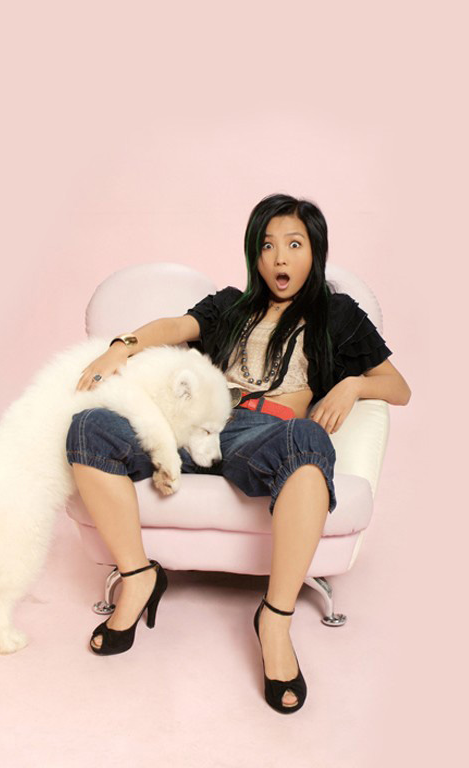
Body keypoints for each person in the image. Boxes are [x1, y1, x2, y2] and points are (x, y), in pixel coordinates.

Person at [66, 193, 411, 714]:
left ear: (314, 251)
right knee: (89, 428)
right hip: (199, 424)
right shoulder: (232, 305)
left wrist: (353, 384)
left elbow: (399, 387)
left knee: (309, 440)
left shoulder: (336, 314)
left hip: (266, 434)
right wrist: (121, 346)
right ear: (254, 254)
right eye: (267, 246)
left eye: (294, 245)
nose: (279, 258)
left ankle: (275, 620)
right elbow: (175, 327)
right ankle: (138, 578)